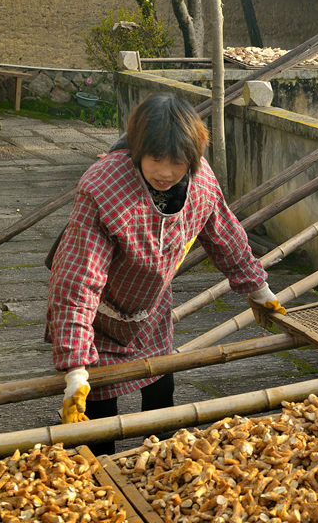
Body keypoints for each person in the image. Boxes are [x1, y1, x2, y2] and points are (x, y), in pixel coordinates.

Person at [45, 93, 286, 454]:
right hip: (98, 315)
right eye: (156, 158)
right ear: (138, 150)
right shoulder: (104, 187)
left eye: (177, 162)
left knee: (161, 394)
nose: (166, 172)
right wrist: (75, 367)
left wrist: (260, 290)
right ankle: (99, 476)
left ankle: (161, 461)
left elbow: (225, 235)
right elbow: (79, 279)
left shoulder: (201, 181)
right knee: (98, 415)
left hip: (151, 309)